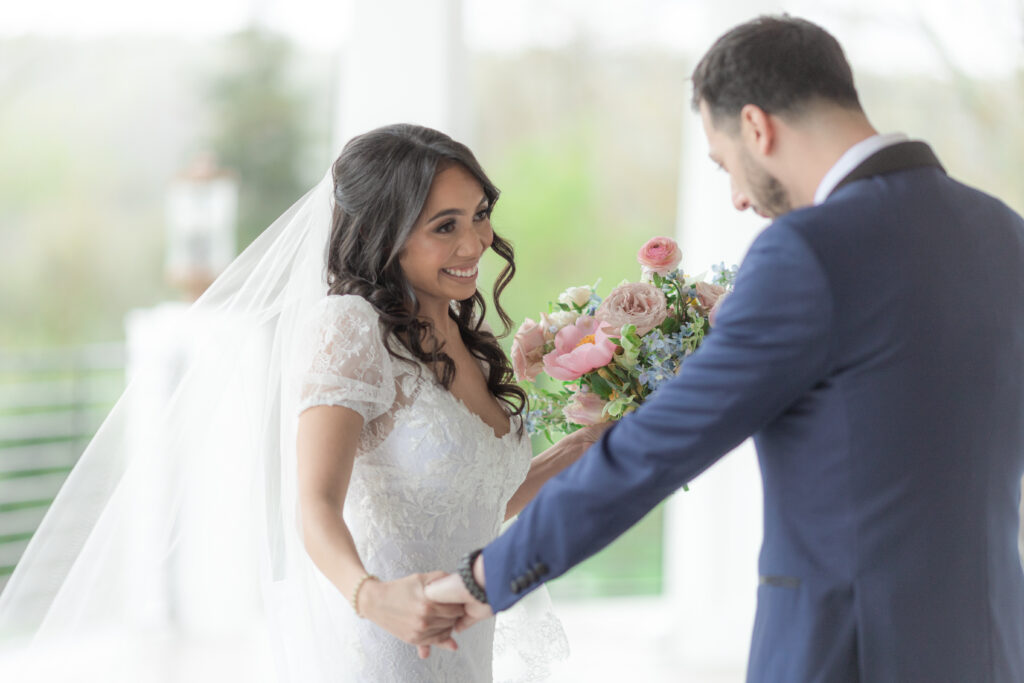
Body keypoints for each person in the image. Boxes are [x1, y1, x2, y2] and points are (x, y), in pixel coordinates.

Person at [426, 15, 1024, 683]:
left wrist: (484, 578)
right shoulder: (1003, 231)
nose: (738, 197)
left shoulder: (809, 251)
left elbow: (654, 448)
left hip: (845, 654)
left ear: (757, 127)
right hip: (991, 645)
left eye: (725, 163)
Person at [0, 124, 597, 683]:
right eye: (445, 226)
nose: (475, 243)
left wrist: (588, 443)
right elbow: (313, 503)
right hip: (385, 648)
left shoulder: (466, 338)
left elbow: (478, 496)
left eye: (481, 215)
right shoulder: (353, 328)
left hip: (464, 644)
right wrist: (372, 596)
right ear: (380, 235)